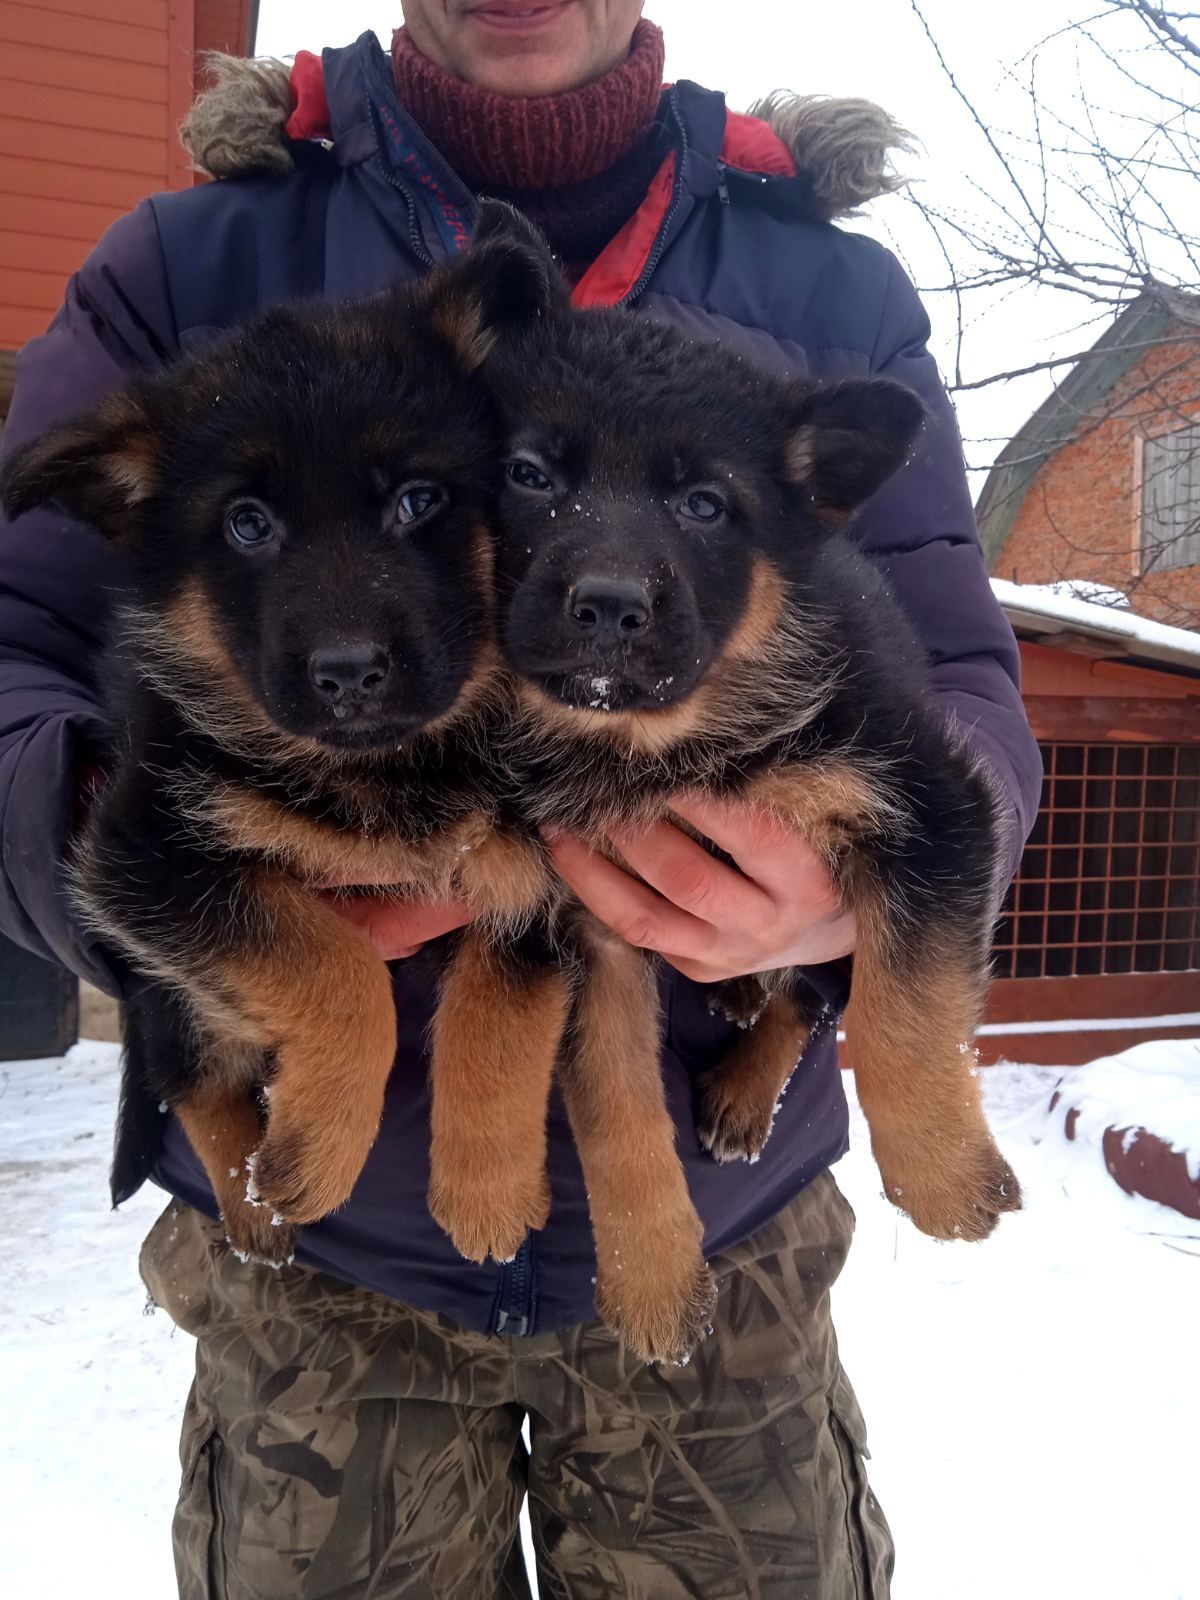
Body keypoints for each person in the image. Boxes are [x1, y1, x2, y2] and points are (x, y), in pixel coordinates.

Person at [0, 4, 1043, 1595]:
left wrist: (849, 904)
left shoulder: (826, 283)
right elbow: (16, 657)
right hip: (324, 1268)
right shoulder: (191, 260)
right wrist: (198, 867)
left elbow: (961, 681)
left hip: (725, 1236)